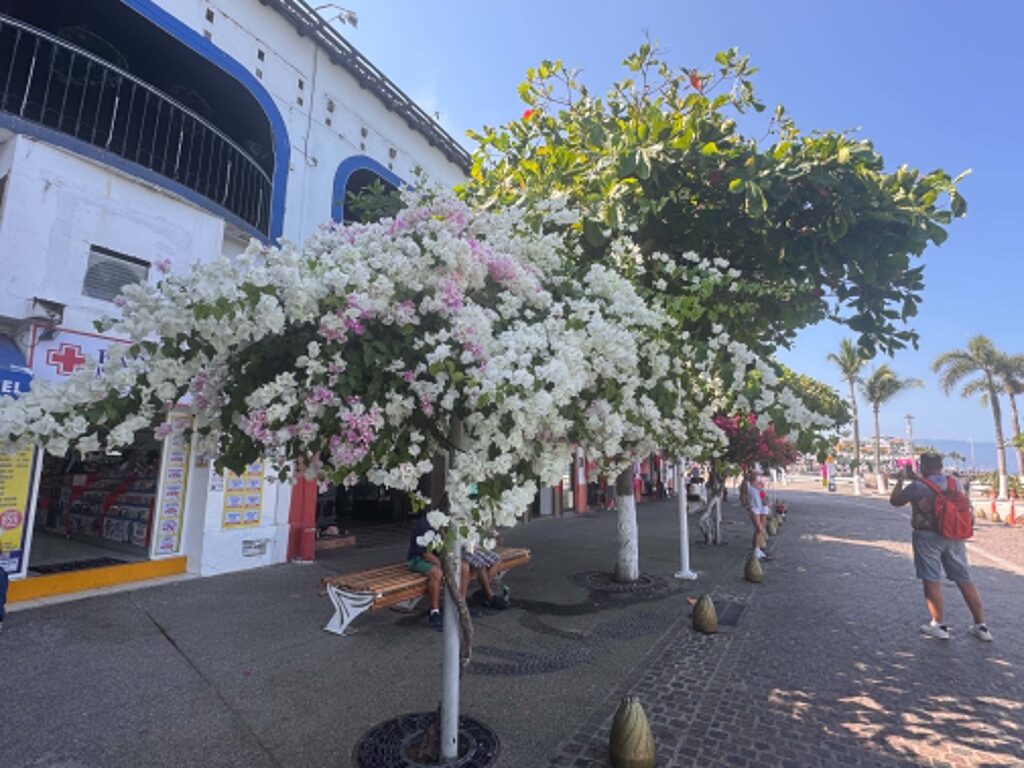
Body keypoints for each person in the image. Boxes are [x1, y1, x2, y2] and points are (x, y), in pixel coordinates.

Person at [889, 452, 992, 642]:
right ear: (941, 466)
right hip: (954, 534)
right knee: (964, 578)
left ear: (922, 467)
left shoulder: (918, 486)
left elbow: (895, 501)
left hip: (927, 536)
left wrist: (900, 480)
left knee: (931, 578)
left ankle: (938, 625)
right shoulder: (955, 483)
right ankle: (981, 626)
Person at [740, 467, 770, 560]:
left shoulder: (759, 483)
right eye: (754, 473)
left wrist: (765, 500)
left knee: (761, 529)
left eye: (757, 474)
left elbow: (762, 493)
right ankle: (756, 550)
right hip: (754, 508)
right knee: (759, 528)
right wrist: (747, 506)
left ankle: (757, 548)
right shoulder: (746, 484)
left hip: (762, 507)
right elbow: (743, 496)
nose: (756, 475)